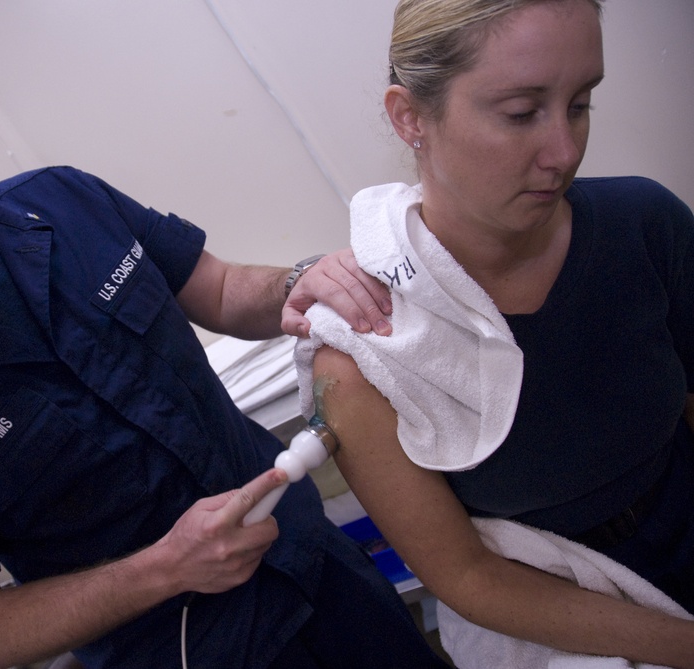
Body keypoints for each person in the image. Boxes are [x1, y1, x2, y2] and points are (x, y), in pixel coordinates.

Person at [0, 45, 450, 669]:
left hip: (318, 566)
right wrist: (163, 570)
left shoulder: (62, 200)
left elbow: (223, 288)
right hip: (192, 646)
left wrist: (299, 281)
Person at [296, 0, 694, 666]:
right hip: (570, 612)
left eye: (581, 103)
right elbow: (469, 576)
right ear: (410, 116)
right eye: (521, 113)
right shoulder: (366, 354)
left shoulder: (643, 224)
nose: (565, 152)